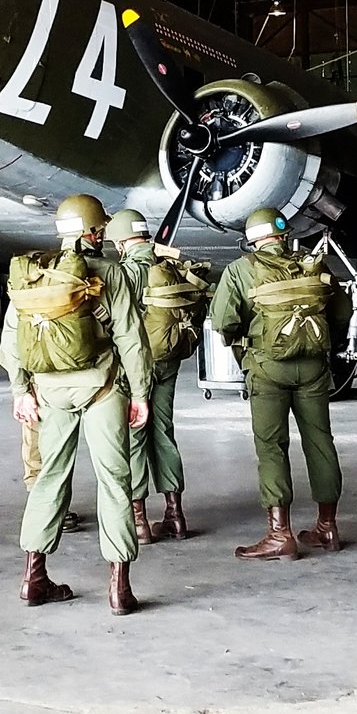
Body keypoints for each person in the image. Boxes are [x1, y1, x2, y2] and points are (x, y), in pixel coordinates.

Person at [5, 193, 152, 613]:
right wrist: (140, 393)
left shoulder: (34, 275)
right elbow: (130, 338)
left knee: (50, 477)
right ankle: (119, 589)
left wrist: (20, 391)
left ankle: (34, 577)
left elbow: (11, 344)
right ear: (96, 232)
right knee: (114, 481)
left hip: (49, 393)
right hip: (101, 389)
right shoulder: (111, 273)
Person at [209, 206, 348, 561]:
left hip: (268, 368)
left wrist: (246, 342)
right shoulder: (311, 263)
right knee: (320, 441)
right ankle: (327, 527)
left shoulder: (242, 270)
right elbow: (342, 312)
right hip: (314, 368)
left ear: (252, 240)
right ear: (284, 236)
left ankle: (279, 534)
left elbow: (223, 320)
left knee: (272, 446)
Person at [109, 207, 211, 543]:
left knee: (135, 435)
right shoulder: (165, 266)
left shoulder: (125, 272)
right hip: (168, 361)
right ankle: (175, 515)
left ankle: (139, 522)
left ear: (122, 242)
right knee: (163, 432)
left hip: (135, 365)